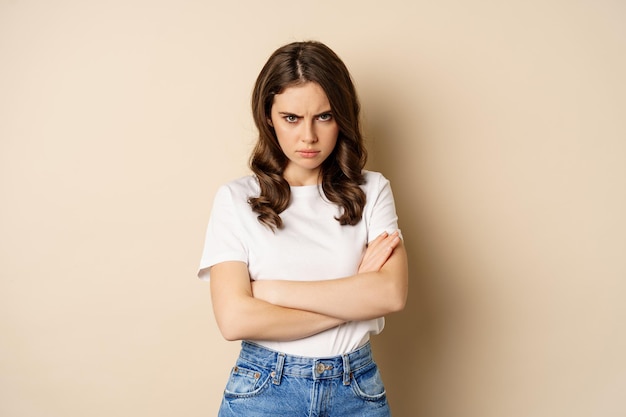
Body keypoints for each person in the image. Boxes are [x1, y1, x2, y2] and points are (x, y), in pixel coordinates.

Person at [198, 40, 408, 417]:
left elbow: (390, 293)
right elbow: (234, 319)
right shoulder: (236, 199)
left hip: (355, 390)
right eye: (291, 118)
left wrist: (272, 291)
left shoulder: (372, 190)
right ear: (268, 118)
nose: (308, 136)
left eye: (324, 116)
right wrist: (354, 301)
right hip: (264, 389)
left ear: (342, 117)